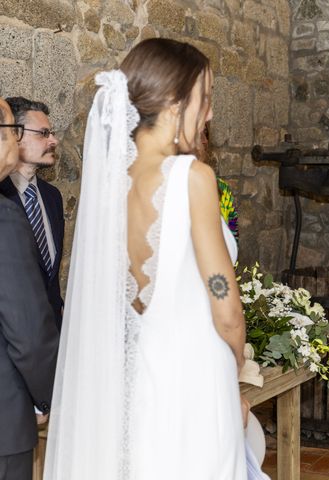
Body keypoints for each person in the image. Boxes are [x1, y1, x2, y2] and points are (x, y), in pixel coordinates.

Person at [44, 38, 266, 479]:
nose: (210, 114)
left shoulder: (110, 183)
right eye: (205, 100)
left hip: (142, 368)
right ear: (172, 103)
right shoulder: (191, 178)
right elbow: (226, 310)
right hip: (197, 370)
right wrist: (235, 365)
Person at [0, 97, 59, 480]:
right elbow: (24, 324)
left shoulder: (52, 200)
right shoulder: (5, 210)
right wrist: (48, 392)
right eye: (14, 130)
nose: (52, 140)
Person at [0, 97, 64, 331]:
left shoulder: (53, 197)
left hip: (53, 333)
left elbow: (50, 274)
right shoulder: (2, 198)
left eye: (52, 133)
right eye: (43, 133)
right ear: (15, 135)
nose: (53, 140)